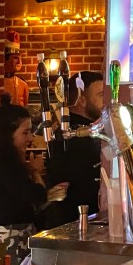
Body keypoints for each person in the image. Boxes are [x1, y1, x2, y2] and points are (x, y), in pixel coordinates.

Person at [0, 101, 68, 228]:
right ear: (7, 135)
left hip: (10, 235)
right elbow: (36, 195)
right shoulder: (3, 162)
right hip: (12, 238)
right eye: (25, 133)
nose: (31, 138)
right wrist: (35, 171)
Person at [45, 71, 104, 226]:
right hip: (74, 224)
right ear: (82, 100)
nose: (106, 101)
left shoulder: (85, 130)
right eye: (101, 95)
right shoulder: (72, 134)